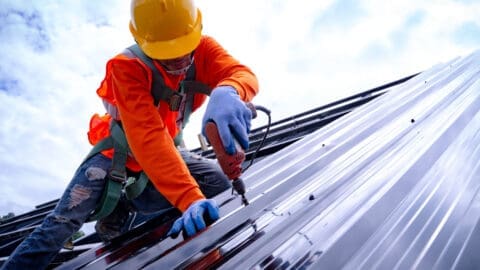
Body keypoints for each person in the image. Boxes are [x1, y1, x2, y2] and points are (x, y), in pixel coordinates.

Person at [2, 0, 258, 269]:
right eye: (167, 56)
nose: (178, 61)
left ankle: (139, 215)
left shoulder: (204, 49)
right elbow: (149, 138)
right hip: (119, 154)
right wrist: (189, 198)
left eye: (184, 51)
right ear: (143, 41)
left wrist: (229, 89)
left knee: (215, 181)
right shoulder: (127, 67)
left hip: (167, 152)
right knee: (61, 225)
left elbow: (240, 73)